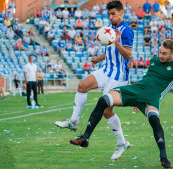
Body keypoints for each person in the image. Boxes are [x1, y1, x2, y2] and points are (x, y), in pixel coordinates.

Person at [69, 39, 173, 168]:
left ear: (172, 54)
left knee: (154, 120)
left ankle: (164, 157)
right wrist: (136, 100)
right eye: (160, 52)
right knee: (103, 100)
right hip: (136, 90)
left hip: (152, 98)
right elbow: (149, 78)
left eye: (164, 53)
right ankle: (85, 137)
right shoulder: (154, 60)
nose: (160, 55)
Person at [55, 0, 134, 161]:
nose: (111, 17)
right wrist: (98, 58)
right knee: (82, 85)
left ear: (121, 13)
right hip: (106, 69)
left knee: (106, 110)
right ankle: (74, 121)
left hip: (118, 76)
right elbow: (110, 49)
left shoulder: (126, 31)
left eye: (114, 14)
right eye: (109, 14)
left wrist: (117, 42)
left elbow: (127, 55)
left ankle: (122, 142)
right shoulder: (109, 29)